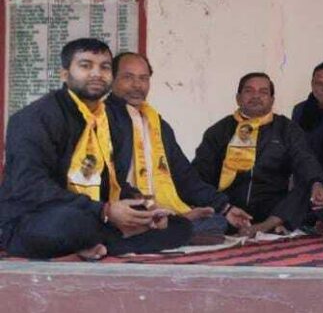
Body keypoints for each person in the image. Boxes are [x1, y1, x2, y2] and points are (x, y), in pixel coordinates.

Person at [0, 38, 191, 259]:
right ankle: (102, 241)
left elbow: (113, 182)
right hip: (32, 218)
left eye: (104, 67)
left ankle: (92, 246)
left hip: (94, 213)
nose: (97, 74)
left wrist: (146, 206)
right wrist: (104, 211)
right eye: (85, 65)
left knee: (179, 226)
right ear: (64, 74)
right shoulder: (36, 117)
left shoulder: (109, 119)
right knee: (74, 223)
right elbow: (30, 186)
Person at [107, 52, 253, 239]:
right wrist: (149, 207)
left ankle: (171, 226)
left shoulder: (157, 124)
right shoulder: (104, 119)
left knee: (218, 221)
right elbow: (110, 180)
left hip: (159, 210)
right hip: (124, 208)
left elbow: (184, 176)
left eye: (143, 78)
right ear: (111, 79)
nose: (137, 85)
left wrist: (225, 208)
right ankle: (169, 227)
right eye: (128, 77)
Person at [192, 73, 323, 236]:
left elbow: (304, 159)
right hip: (228, 207)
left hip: (273, 208)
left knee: (309, 183)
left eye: (263, 92)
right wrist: (219, 205)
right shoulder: (219, 131)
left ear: (272, 100)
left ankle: (263, 227)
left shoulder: (286, 128)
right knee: (197, 192)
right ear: (238, 98)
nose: (256, 96)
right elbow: (200, 173)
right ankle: (239, 227)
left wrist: (317, 184)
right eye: (249, 91)